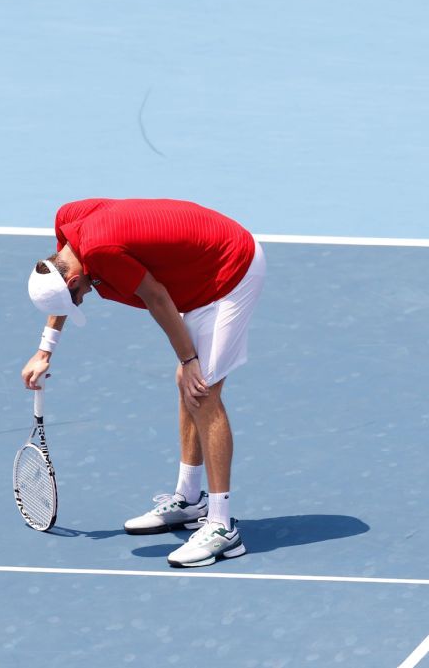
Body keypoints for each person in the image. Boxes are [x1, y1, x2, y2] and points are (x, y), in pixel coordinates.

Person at [20, 198, 265, 568]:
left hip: (229, 270)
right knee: (187, 383)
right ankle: (189, 499)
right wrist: (45, 350)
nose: (83, 299)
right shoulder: (68, 227)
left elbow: (157, 297)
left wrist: (190, 360)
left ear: (72, 280)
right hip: (201, 265)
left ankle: (222, 527)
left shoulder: (100, 252)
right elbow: (67, 287)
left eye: (78, 298)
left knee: (202, 389)